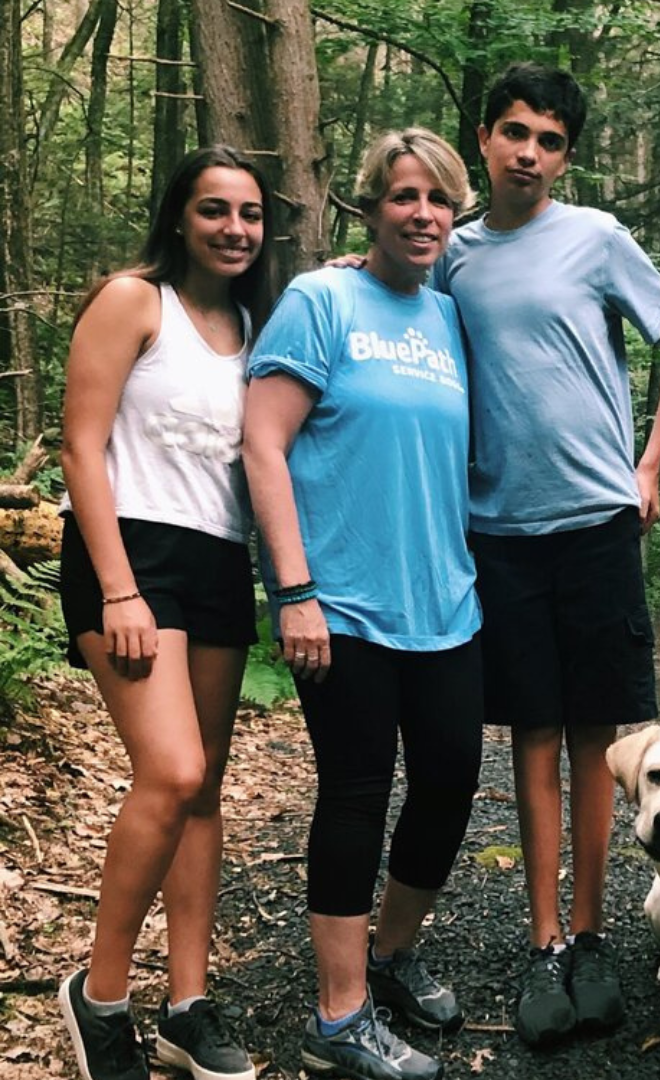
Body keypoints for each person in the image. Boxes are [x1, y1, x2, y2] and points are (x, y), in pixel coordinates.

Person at [430, 63, 660, 1046]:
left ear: (567, 155)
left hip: (596, 526)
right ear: (483, 139)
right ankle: (544, 946)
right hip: (498, 533)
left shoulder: (595, 238)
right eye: (514, 133)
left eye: (549, 140)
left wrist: (650, 460)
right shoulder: (452, 257)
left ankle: (591, 937)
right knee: (531, 742)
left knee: (596, 742)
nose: (530, 154)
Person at [241, 128, 481, 1080]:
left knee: (452, 783)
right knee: (355, 791)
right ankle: (338, 1019)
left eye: (438, 200)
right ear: (371, 207)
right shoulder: (321, 299)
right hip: (340, 601)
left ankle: (388, 955)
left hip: (446, 601)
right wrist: (292, 589)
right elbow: (264, 444)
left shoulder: (449, 317)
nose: (422, 215)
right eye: (404, 198)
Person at [57, 145, 275, 1080]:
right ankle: (100, 996)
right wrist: (117, 587)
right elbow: (79, 444)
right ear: (179, 218)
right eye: (215, 210)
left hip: (220, 559)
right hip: (130, 554)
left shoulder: (261, 324)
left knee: (206, 786)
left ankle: (189, 1006)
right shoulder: (132, 300)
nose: (234, 229)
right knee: (173, 769)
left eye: (251, 215)